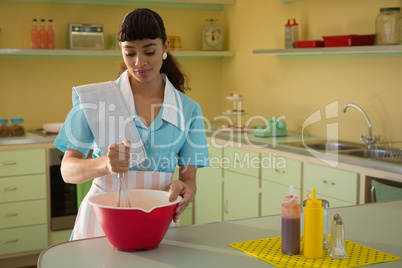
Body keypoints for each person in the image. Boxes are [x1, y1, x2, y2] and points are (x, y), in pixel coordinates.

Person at [54, 8, 209, 240]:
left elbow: (189, 181)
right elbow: (67, 171)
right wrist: (106, 164)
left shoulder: (188, 110)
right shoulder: (97, 100)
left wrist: (186, 189)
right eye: (130, 53)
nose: (139, 63)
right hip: (101, 224)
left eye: (149, 51)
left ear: (165, 47)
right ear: (121, 51)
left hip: (157, 221)